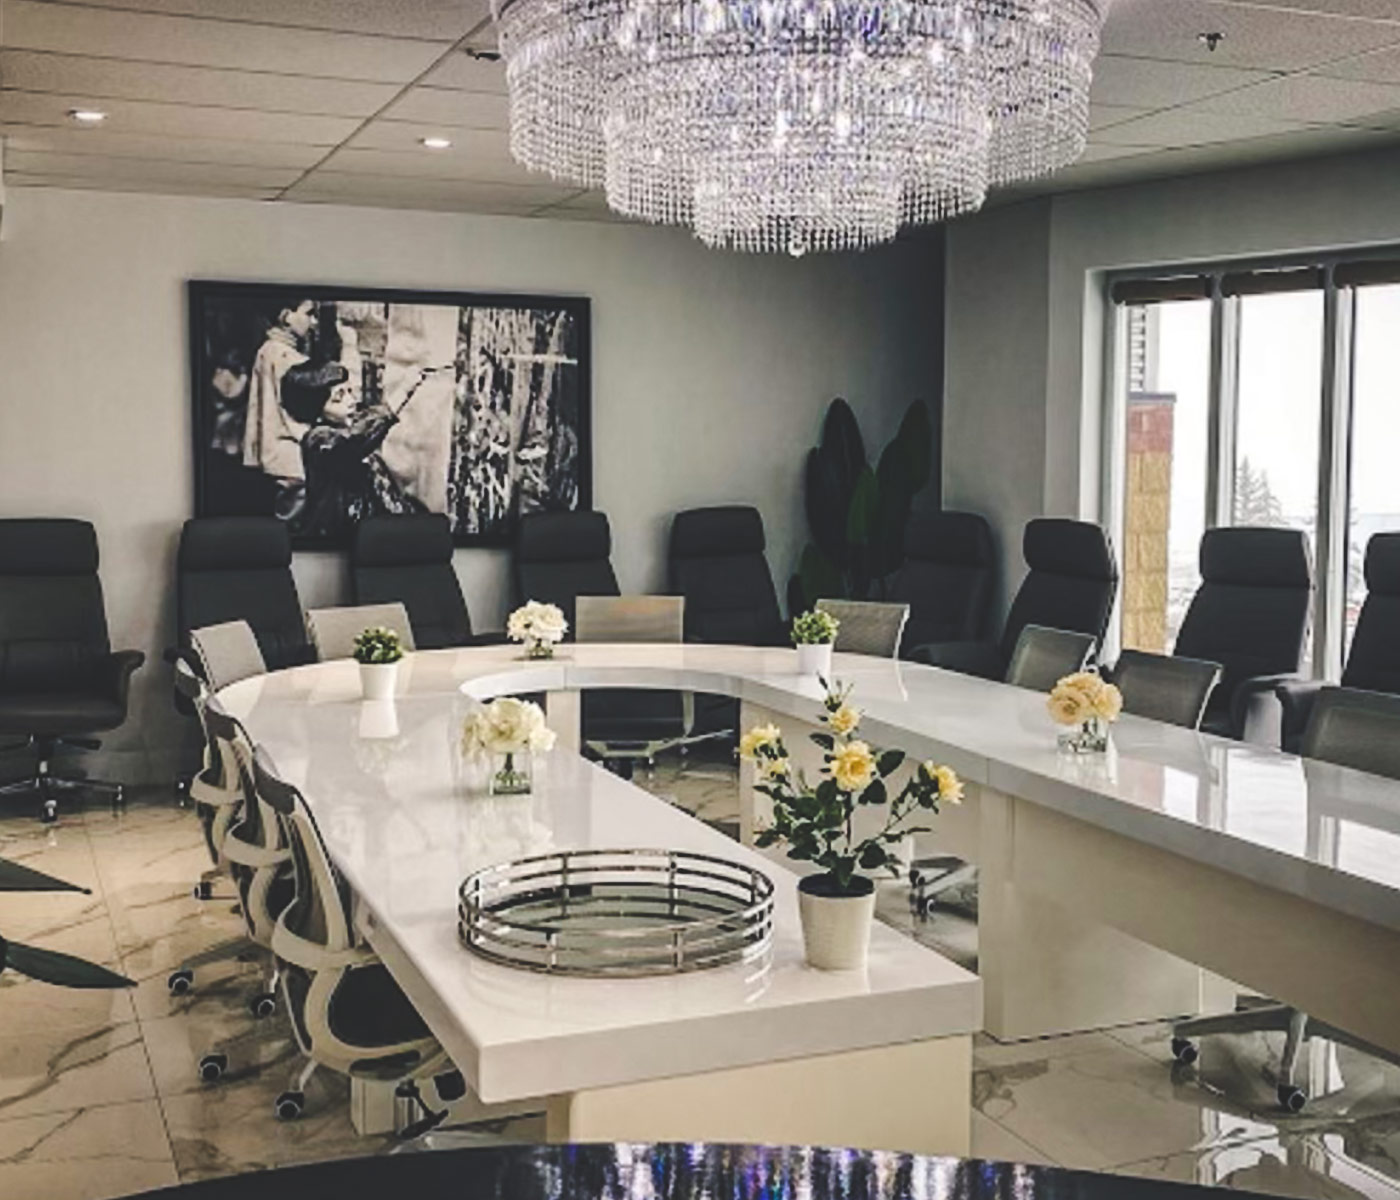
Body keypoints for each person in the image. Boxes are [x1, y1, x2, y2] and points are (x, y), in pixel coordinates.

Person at [279, 361, 425, 541]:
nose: (351, 400)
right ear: (316, 406)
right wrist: (401, 394)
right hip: (342, 540)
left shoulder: (346, 431)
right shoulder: (318, 441)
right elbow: (355, 440)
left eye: (349, 391)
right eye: (339, 395)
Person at [243, 299, 317, 518]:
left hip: (273, 450)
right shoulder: (287, 356)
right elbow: (304, 407)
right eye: (309, 313)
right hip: (291, 454)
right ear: (286, 316)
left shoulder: (267, 350)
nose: (313, 322)